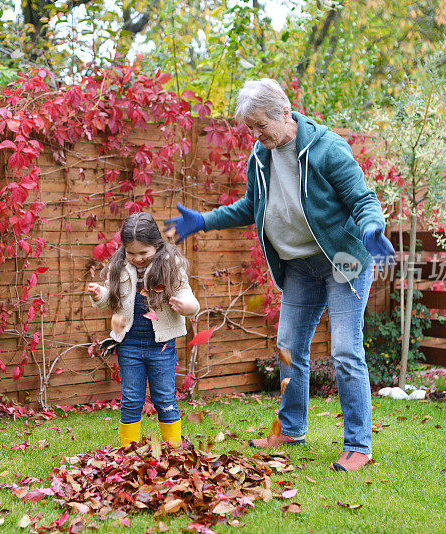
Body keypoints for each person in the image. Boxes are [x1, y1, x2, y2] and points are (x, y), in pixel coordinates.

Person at [165, 78, 395, 472]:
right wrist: (203, 220)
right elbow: (252, 206)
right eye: (249, 129)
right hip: (300, 267)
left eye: (259, 126)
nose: (254, 136)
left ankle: (359, 445)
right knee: (289, 346)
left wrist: (373, 228)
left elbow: (363, 199)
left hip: (343, 259)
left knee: (344, 350)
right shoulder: (261, 154)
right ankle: (292, 428)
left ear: (284, 113)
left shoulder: (327, 149)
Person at [88, 212, 200, 447]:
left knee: (164, 397)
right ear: (124, 249)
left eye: (144, 253)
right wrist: (100, 295)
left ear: (157, 246)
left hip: (162, 345)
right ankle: (129, 452)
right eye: (131, 253)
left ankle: (175, 448)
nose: (137, 258)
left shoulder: (171, 265)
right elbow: (111, 297)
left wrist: (186, 306)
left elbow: (188, 297)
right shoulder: (118, 267)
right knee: (131, 398)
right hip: (128, 344)